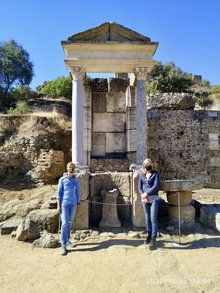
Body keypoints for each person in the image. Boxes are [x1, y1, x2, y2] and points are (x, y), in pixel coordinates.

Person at [57, 162, 80, 256]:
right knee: (64, 223)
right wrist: (58, 206)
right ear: (67, 168)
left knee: (70, 222)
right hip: (65, 204)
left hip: (74, 203)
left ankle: (67, 240)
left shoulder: (76, 179)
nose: (71, 168)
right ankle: (63, 245)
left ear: (74, 168)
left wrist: (78, 202)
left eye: (72, 167)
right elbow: (59, 193)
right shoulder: (62, 179)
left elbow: (78, 191)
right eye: (69, 167)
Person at [138, 158, 160, 250]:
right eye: (147, 164)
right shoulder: (142, 175)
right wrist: (143, 195)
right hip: (144, 199)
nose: (149, 165)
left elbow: (156, 186)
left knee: (153, 218)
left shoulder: (155, 174)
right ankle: (149, 235)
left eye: (150, 163)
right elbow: (139, 186)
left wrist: (147, 194)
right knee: (147, 218)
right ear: (144, 165)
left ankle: (154, 239)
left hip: (153, 199)